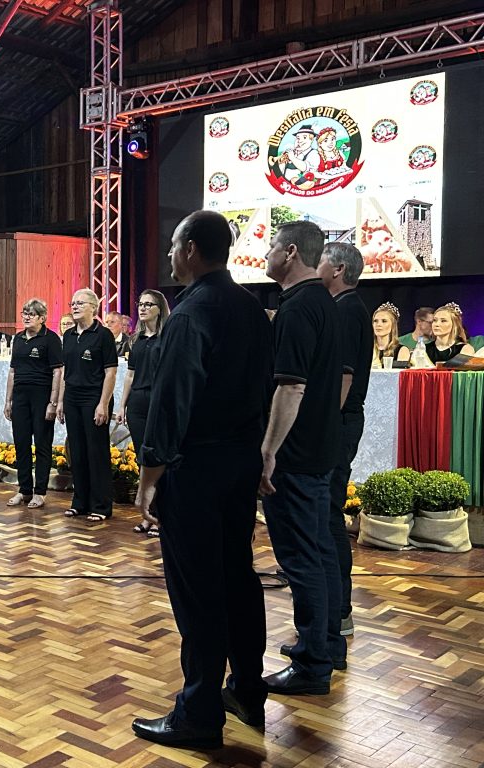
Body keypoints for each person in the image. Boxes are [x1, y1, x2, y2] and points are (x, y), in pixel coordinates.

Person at [130, 211, 272, 750]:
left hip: (198, 470)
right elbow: (265, 390)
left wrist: (149, 478)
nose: (170, 254)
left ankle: (199, 714)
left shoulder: (190, 314)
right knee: (238, 577)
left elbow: (171, 404)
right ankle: (248, 689)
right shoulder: (251, 308)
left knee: (198, 592)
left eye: (173, 245)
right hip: (239, 463)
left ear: (190, 249)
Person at [260, 220, 346, 696]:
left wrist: (268, 451)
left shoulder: (297, 308)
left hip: (294, 457)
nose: (266, 254)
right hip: (319, 449)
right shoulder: (325, 303)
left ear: (291, 252)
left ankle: (313, 666)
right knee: (320, 552)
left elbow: (291, 387)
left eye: (272, 246)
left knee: (301, 559)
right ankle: (326, 646)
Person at [316, 242, 373, 639]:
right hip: (337, 423)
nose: (314, 265)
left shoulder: (347, 310)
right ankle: (330, 608)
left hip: (338, 423)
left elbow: (344, 375)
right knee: (323, 514)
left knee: (328, 514)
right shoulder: (340, 307)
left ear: (337, 269)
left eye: (320, 259)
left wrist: (323, 423)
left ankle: (339, 611)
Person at [57, 288, 117, 524]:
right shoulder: (69, 335)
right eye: (72, 303)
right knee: (77, 451)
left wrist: (103, 404)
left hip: (94, 397)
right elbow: (65, 372)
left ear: (94, 307)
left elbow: (110, 372)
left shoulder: (103, 335)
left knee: (96, 451)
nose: (74, 306)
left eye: (80, 303)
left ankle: (101, 505)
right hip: (72, 397)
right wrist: (60, 401)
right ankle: (80, 502)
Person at [116, 289, 169, 536]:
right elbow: (130, 375)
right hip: (137, 401)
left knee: (157, 458)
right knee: (141, 458)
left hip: (158, 401)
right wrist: (122, 405)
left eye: (149, 304)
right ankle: (147, 516)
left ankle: (160, 515)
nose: (143, 308)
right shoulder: (135, 339)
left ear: (160, 309)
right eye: (141, 304)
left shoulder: (166, 337)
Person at [3, 298, 63, 509]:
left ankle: (40, 492)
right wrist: (8, 400)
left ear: (42, 318)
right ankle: (24, 490)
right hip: (20, 397)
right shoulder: (18, 339)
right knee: (21, 444)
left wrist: (53, 402)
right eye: (25, 314)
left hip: (42, 396)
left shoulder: (51, 339)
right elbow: (12, 371)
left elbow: (58, 372)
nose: (27, 317)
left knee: (42, 445)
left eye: (31, 314)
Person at [370, 303, 411, 368]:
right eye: (375, 321)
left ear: (393, 325)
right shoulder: (367, 349)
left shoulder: (402, 350)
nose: (378, 324)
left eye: (384, 321)